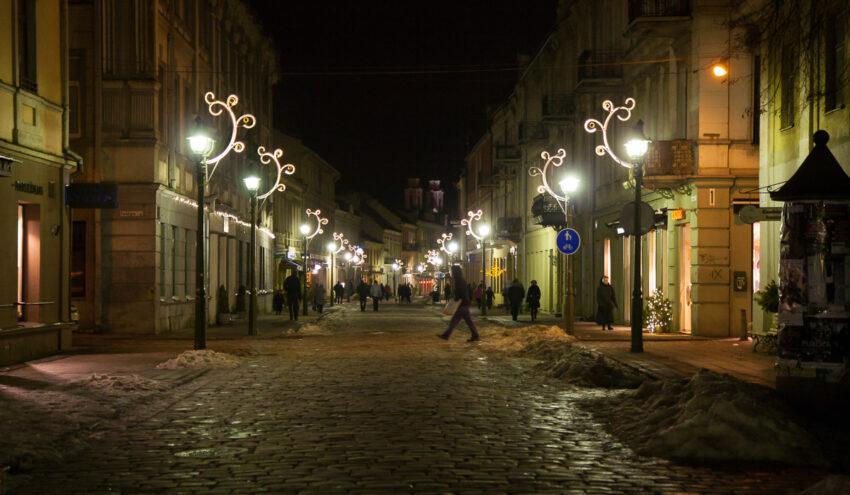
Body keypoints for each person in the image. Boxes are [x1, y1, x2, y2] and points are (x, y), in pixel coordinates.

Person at [437, 265, 479, 342]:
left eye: (452, 271)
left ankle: (446, 335)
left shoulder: (459, 281)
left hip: (461, 304)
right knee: (468, 321)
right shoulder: (459, 280)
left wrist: (457, 298)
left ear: (455, 272)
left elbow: (461, 292)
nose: (451, 273)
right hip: (464, 303)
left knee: (455, 320)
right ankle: (475, 335)